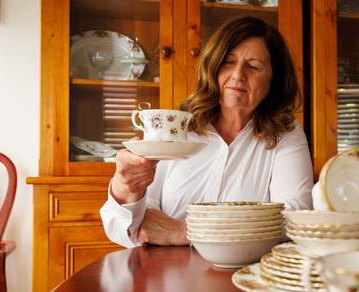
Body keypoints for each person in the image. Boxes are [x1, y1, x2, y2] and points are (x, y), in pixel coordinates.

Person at [100, 17, 313, 248]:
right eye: (228, 62)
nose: (238, 75)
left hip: (243, 277)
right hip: (166, 277)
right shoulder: (176, 129)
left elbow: (294, 218)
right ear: (213, 67)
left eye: (253, 66)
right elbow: (133, 231)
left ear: (275, 79)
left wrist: (186, 231)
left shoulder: (285, 133)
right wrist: (126, 189)